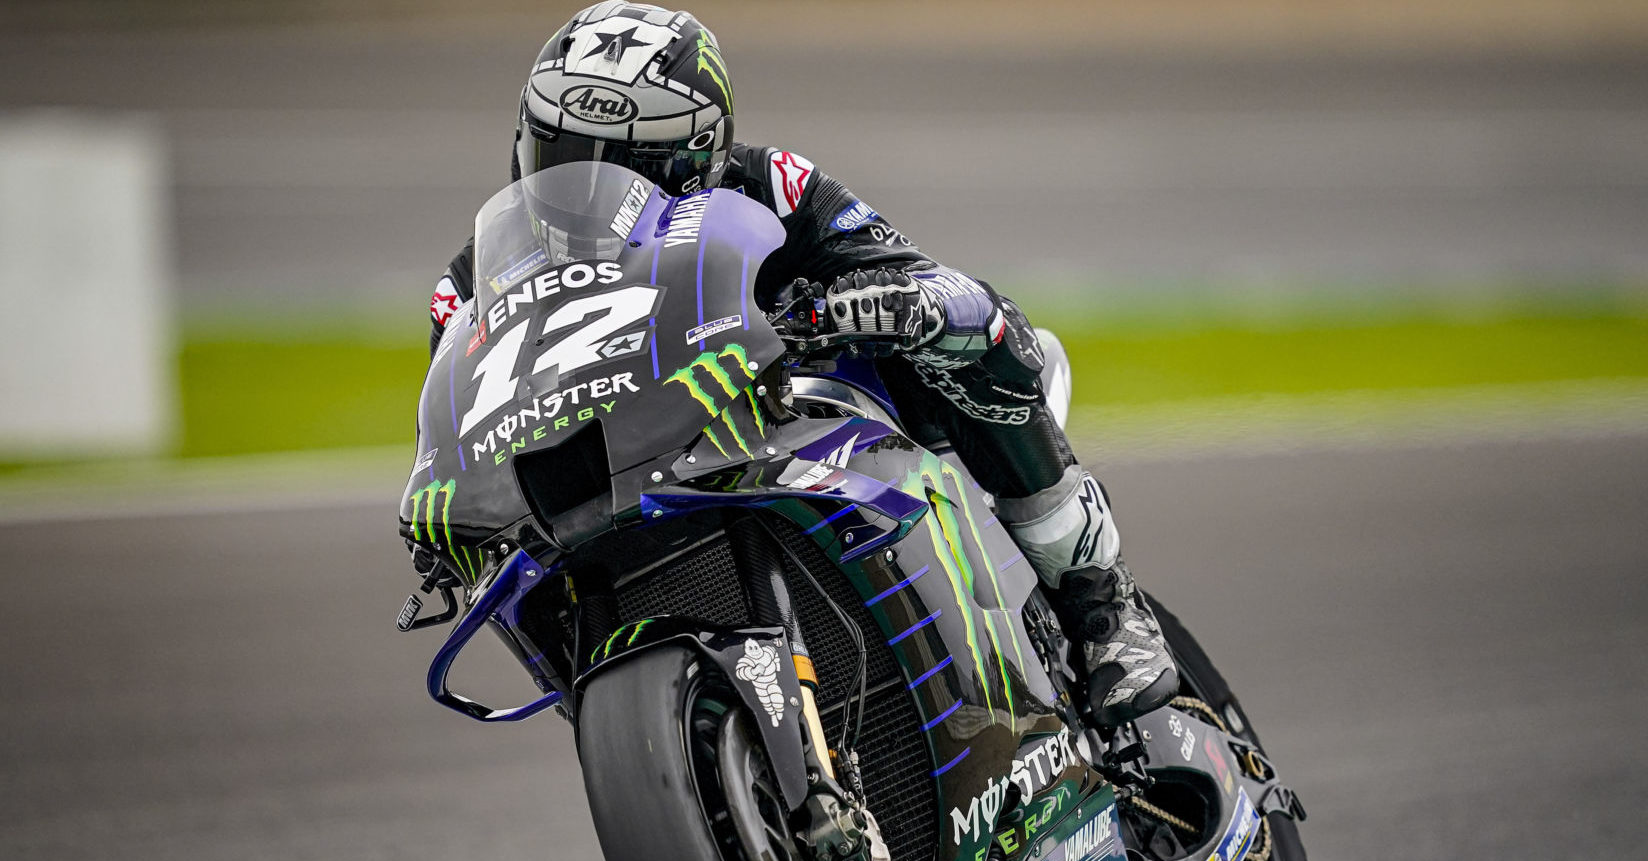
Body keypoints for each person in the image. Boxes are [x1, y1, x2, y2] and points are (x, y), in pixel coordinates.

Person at [425, 2, 1177, 727]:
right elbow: (461, 432)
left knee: (972, 332)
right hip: (634, 471)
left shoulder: (774, 184)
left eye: (619, 169)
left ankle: (1104, 607)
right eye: (558, 155)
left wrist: (885, 305)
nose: (582, 195)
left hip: (793, 414)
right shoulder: (468, 287)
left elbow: (930, 280)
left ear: (695, 159)